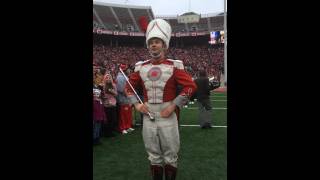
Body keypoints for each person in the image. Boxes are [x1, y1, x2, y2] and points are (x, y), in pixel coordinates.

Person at [125, 19, 197, 180]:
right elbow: (128, 87)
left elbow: (191, 86)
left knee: (171, 155)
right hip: (148, 116)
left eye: (157, 42)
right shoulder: (140, 67)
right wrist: (137, 105)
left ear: (164, 45)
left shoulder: (175, 66)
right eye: (151, 43)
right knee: (153, 155)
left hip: (168, 115)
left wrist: (173, 106)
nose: (153, 45)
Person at [116, 64, 135, 134]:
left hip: (127, 98)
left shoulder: (125, 76)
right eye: (128, 69)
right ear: (124, 70)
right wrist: (129, 95)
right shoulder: (120, 77)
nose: (129, 70)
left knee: (128, 113)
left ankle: (128, 126)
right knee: (123, 114)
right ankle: (122, 128)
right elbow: (121, 89)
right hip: (123, 98)